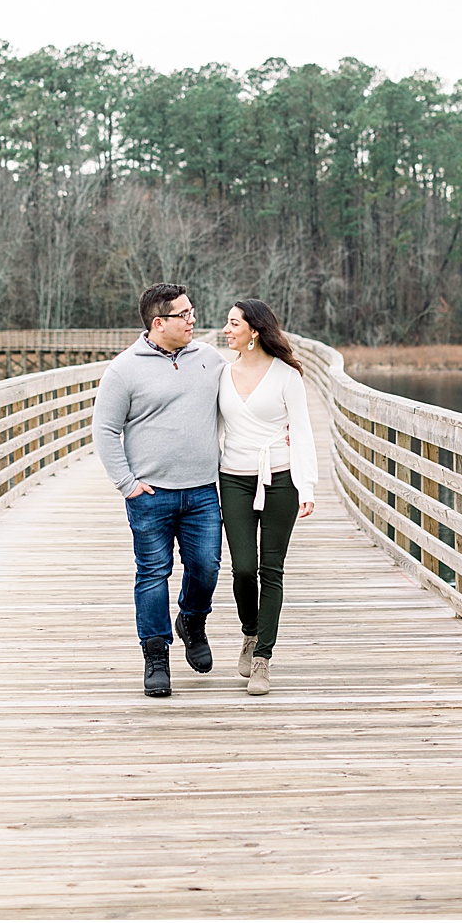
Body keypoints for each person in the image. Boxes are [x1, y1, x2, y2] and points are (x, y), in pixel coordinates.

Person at [93, 283, 227, 697]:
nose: (192, 320)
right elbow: (105, 429)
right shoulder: (124, 369)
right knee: (153, 574)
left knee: (206, 567)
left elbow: (244, 396)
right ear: (158, 323)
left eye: (191, 311)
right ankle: (156, 655)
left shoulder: (210, 359)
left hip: (202, 491)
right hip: (150, 495)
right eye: (183, 315)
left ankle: (192, 621)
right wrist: (127, 484)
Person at [216, 298, 319, 697]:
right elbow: (211, 427)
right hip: (234, 478)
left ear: (254, 331)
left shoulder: (287, 376)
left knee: (270, 570)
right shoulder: (222, 374)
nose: (226, 330)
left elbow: (303, 432)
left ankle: (262, 658)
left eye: (233, 323)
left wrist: (306, 486)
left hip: (280, 479)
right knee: (243, 568)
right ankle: (250, 631)